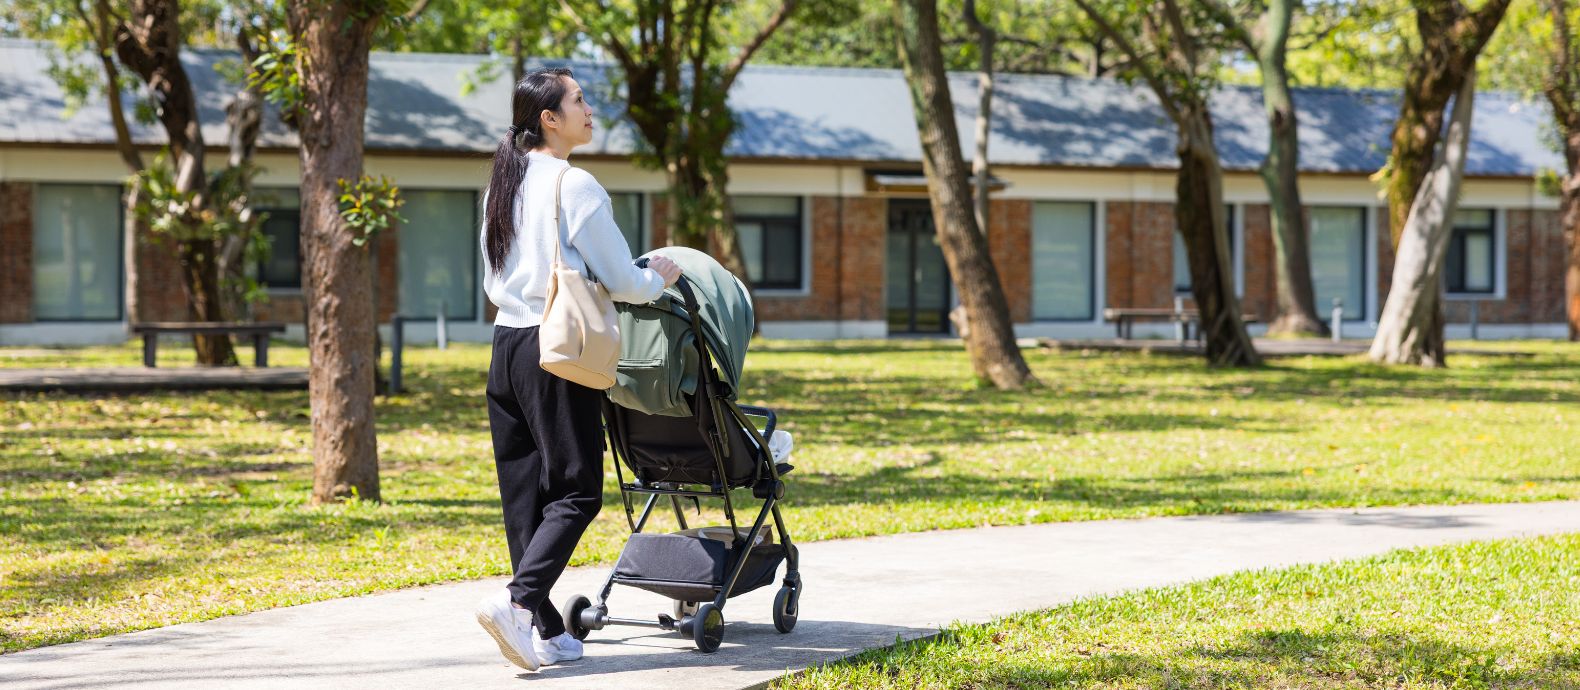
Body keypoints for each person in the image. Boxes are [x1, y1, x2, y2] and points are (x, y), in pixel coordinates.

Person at [474, 67, 681, 672]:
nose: (590, 111)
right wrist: (658, 278)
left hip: (505, 343)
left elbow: (491, 276)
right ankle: (517, 601)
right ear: (550, 118)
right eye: (580, 101)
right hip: (556, 347)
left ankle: (543, 630)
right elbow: (622, 280)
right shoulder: (575, 184)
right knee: (577, 489)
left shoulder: (501, 186)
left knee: (524, 491)